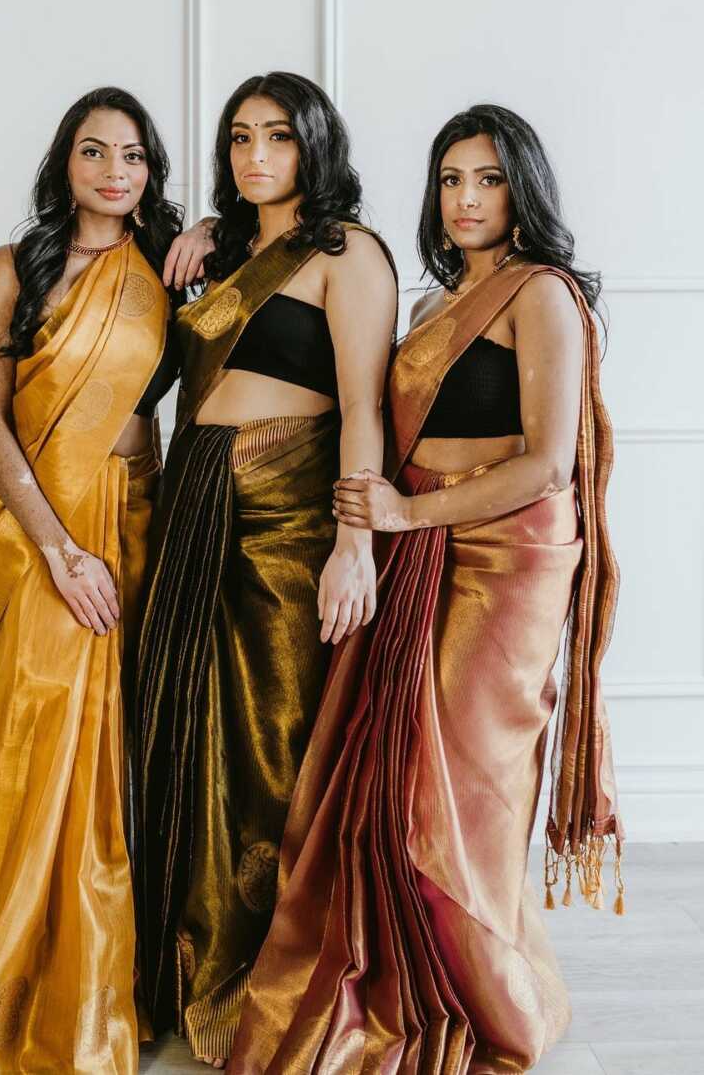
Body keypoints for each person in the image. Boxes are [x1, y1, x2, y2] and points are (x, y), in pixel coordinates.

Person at [229, 104, 622, 1075]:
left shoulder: (544, 295)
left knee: (457, 806)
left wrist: (402, 519)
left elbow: (545, 468)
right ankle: (413, 989)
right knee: (385, 789)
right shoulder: (430, 303)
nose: (465, 198)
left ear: (522, 186)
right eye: (450, 178)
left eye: (487, 178)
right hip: (420, 548)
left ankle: (500, 1016)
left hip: (507, 561)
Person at [0, 86, 212, 1074]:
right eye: (93, 152)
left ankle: (110, 989)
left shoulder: (171, 269)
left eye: (132, 155)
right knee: (36, 742)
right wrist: (57, 549)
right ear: (65, 163)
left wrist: (210, 229)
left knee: (119, 757)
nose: (111, 171)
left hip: (139, 519)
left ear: (150, 172)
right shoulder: (15, 268)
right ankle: (19, 997)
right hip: (30, 533)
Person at [134, 71, 398, 1067]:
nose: (256, 157)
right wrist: (207, 229)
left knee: (278, 741)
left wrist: (353, 542)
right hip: (195, 506)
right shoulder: (227, 250)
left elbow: (364, 410)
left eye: (278, 139)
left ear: (314, 146)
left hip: (292, 520)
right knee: (191, 736)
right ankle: (188, 966)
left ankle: (282, 978)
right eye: (240, 138)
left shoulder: (348, 254)